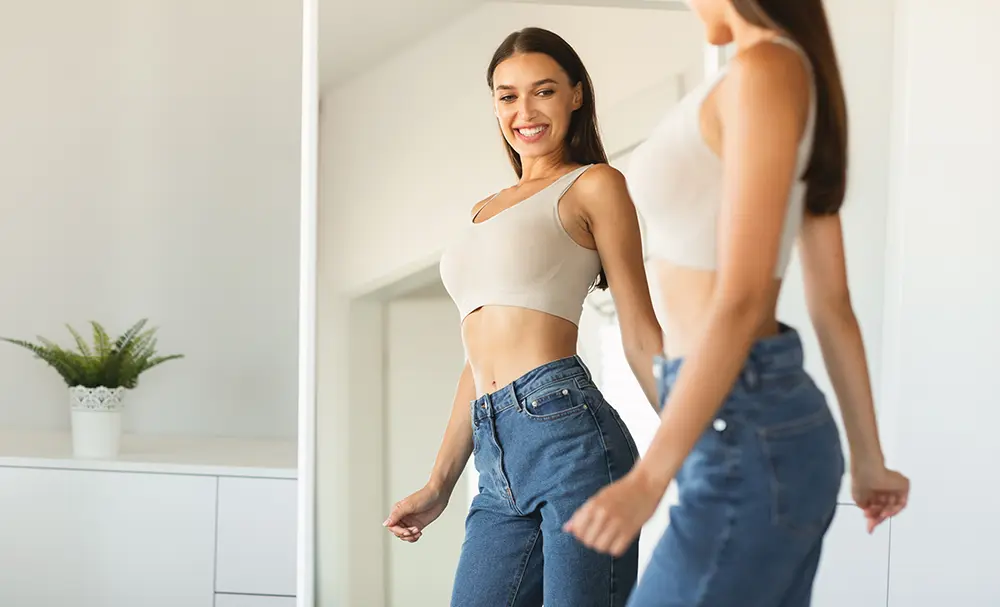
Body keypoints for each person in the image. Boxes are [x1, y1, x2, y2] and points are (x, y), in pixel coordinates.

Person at [563, 1, 911, 605]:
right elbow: (832, 304)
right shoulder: (768, 75)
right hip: (749, 421)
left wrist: (650, 477)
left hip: (746, 424)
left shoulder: (768, 71)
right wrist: (868, 460)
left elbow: (746, 298)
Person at [381, 27, 663, 606]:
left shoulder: (595, 185)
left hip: (569, 435)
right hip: (494, 455)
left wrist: (700, 446)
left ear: (576, 95)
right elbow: (476, 360)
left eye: (543, 91)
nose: (524, 111)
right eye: (507, 96)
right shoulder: (482, 211)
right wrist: (439, 484)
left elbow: (640, 332)